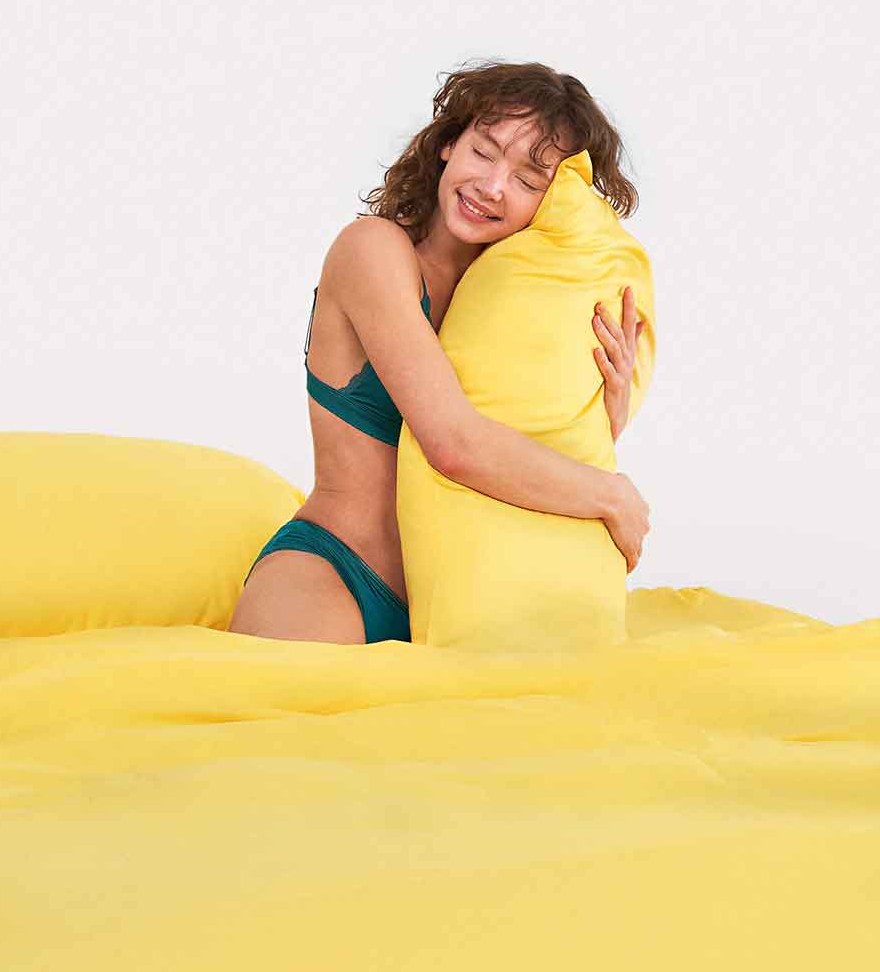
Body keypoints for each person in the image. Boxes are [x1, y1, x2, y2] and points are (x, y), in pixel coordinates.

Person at [228, 60, 650, 645]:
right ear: (449, 144)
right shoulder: (372, 251)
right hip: (336, 574)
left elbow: (539, 446)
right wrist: (611, 495)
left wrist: (608, 411)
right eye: (483, 152)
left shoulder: (516, 302)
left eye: (528, 181)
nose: (493, 186)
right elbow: (453, 444)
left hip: (461, 599)